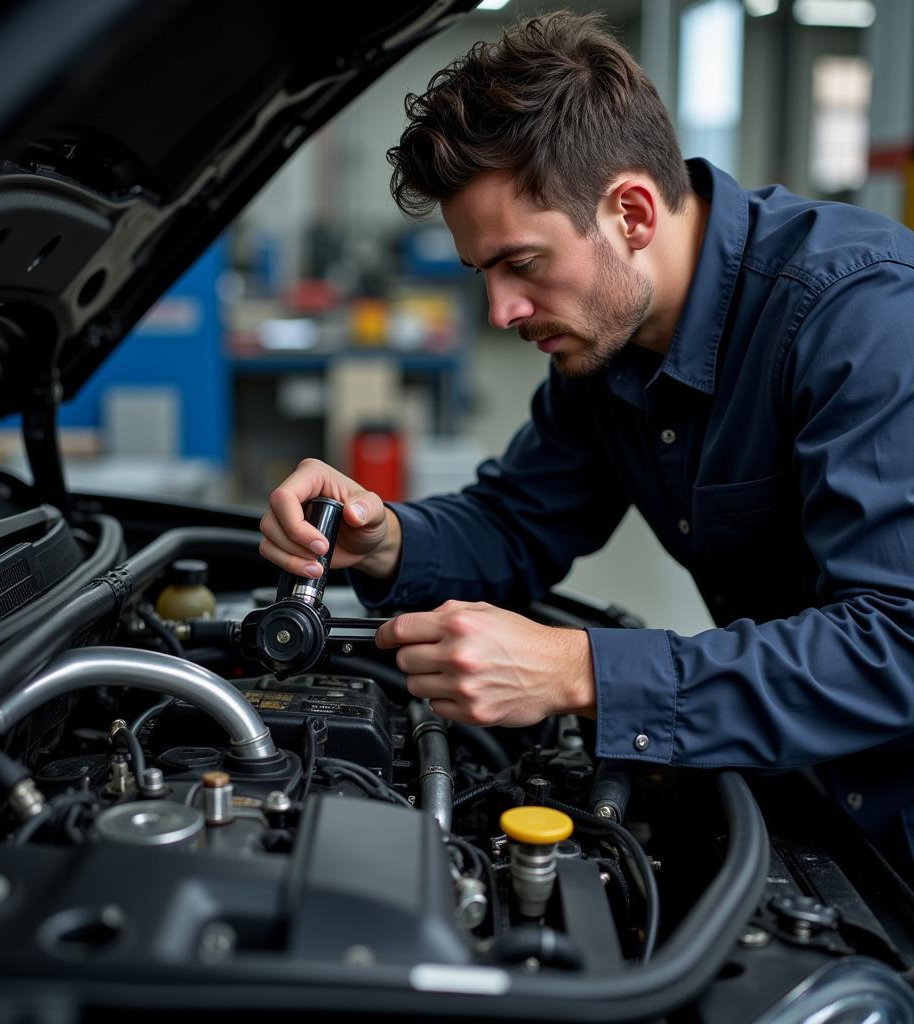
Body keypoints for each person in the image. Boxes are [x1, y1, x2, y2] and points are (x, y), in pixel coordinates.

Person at [258, 12, 914, 855]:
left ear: (632, 212)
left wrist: (578, 671)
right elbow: (519, 519)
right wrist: (381, 536)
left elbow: (897, 645)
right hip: (806, 786)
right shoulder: (607, 345)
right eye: (482, 274)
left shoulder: (861, 317)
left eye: (522, 264)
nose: (501, 312)